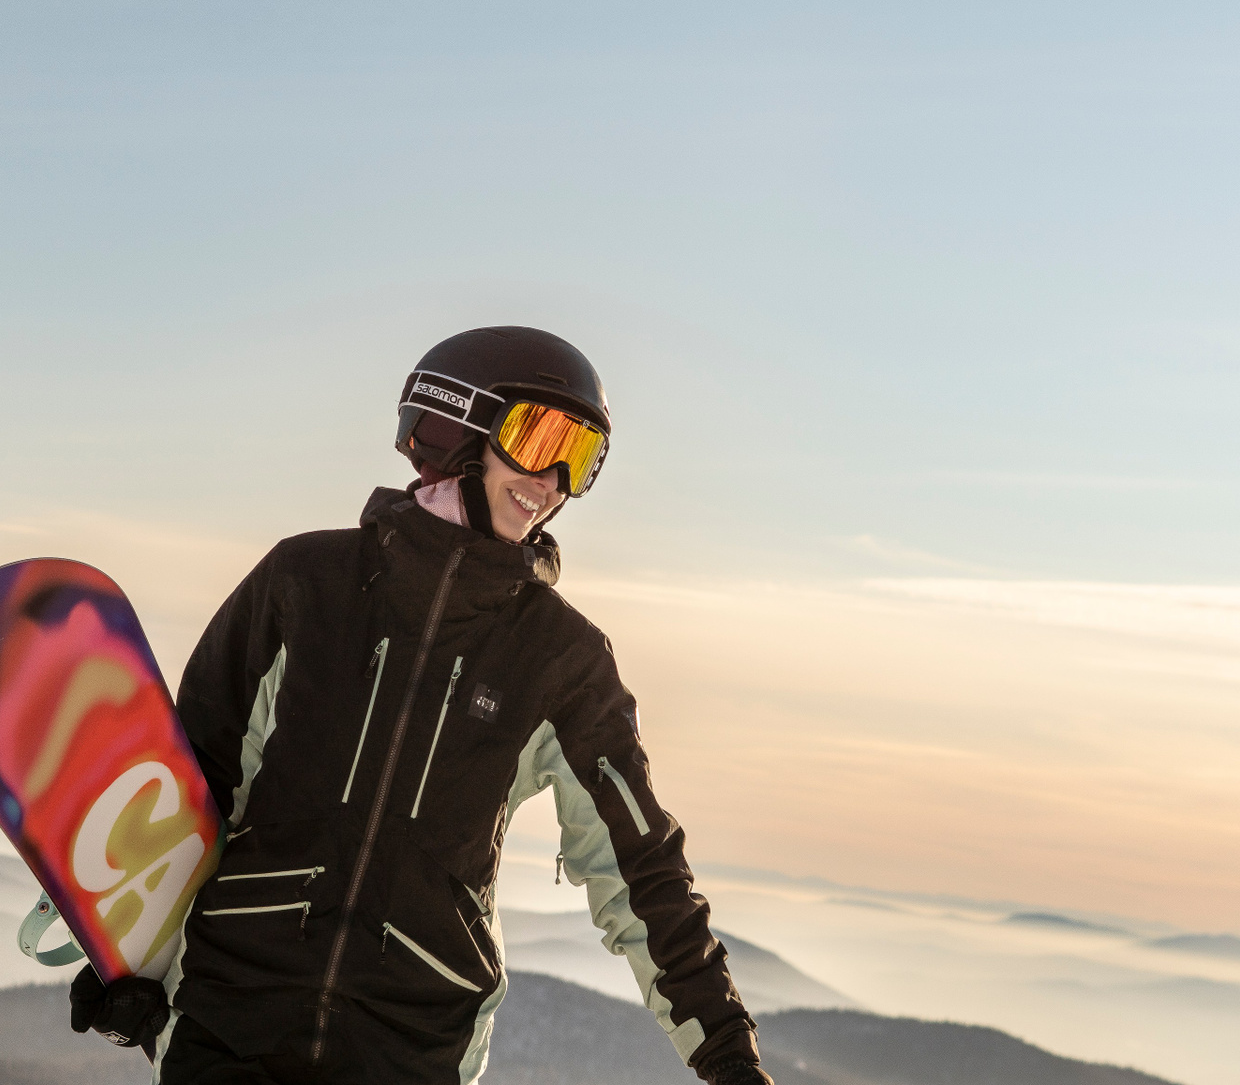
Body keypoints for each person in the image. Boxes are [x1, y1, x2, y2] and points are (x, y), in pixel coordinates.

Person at [72, 326, 772, 1085]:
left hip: (415, 1050)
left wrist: (729, 1057)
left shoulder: (561, 659)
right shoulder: (305, 583)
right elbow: (194, 785)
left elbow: (640, 868)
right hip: (230, 1023)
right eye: (542, 439)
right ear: (458, 425)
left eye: (582, 459)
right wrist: (130, 963)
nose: (553, 481)